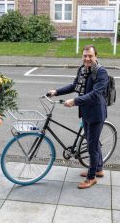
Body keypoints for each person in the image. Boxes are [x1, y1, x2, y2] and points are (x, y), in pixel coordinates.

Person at [48, 45, 109, 189]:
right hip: (85, 112)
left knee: (92, 147)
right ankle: (98, 169)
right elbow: (74, 86)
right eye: (85, 56)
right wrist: (56, 91)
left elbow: (95, 94)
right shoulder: (82, 69)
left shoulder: (101, 72)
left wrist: (75, 101)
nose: (87, 58)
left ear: (96, 57)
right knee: (91, 141)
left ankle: (91, 177)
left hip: (96, 114)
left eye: (90, 56)